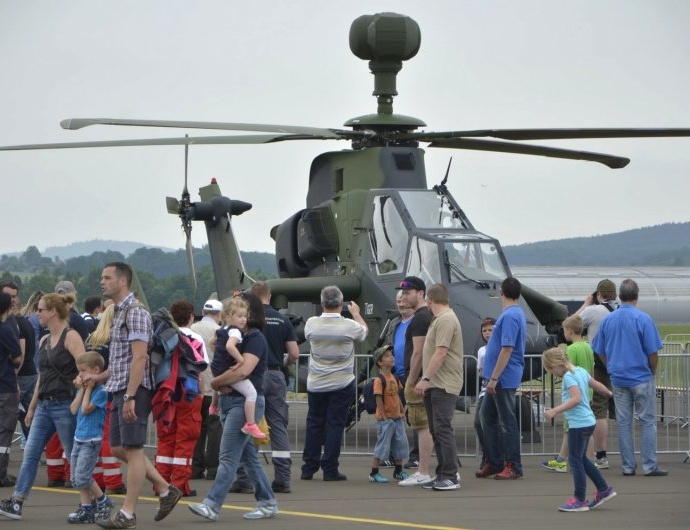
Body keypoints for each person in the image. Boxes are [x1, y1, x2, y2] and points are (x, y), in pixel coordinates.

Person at [96, 262, 181, 529]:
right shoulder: (118, 312)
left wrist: (131, 395)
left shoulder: (135, 312)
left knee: (132, 451)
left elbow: (140, 356)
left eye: (107, 278)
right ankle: (166, 490)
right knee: (119, 448)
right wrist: (98, 377)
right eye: (102, 278)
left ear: (123, 282)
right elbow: (121, 359)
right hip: (119, 387)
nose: (102, 282)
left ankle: (128, 513)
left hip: (134, 389)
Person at [189, 292, 279, 521]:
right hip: (230, 402)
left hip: (242, 402)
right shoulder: (234, 336)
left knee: (227, 456)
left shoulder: (255, 338)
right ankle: (267, 502)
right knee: (247, 458)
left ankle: (212, 504)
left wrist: (217, 382)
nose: (241, 316)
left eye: (243, 312)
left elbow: (244, 370)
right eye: (237, 312)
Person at [0, 292, 85, 521]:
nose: (37, 313)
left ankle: (90, 502)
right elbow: (42, 376)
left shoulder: (71, 337)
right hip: (45, 406)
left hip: (65, 404)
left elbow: (85, 369)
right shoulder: (44, 340)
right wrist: (32, 406)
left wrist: (79, 399)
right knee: (30, 454)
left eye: (41, 310)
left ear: (53, 312)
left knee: (74, 455)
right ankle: (17, 502)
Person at [592, 279, 667, 477]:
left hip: (618, 377)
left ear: (620, 296)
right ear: (637, 296)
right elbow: (653, 351)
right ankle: (649, 465)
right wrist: (652, 370)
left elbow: (599, 349)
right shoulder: (643, 319)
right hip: (641, 376)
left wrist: (611, 366)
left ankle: (627, 466)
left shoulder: (608, 320)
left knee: (624, 422)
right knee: (647, 421)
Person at [301, 285, 368, 482]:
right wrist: (356, 313)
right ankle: (330, 468)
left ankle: (308, 467)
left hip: (316, 382)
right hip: (341, 381)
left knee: (314, 423)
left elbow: (306, 336)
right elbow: (364, 332)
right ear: (341, 304)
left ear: (322, 303)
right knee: (335, 424)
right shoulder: (349, 326)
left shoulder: (312, 324)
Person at [542, 348, 617, 512]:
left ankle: (579, 499)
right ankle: (603, 489)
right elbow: (597, 385)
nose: (552, 373)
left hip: (579, 424)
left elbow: (576, 399)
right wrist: (608, 393)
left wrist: (555, 410)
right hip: (588, 421)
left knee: (575, 461)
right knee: (582, 459)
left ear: (554, 365)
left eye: (550, 370)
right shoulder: (581, 371)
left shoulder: (568, 378)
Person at [250, 281, 300, 493]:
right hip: (276, 374)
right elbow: (295, 354)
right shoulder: (282, 320)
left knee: (249, 423)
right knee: (278, 424)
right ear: (269, 296)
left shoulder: (249, 319)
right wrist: (282, 364)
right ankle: (282, 478)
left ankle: (244, 477)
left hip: (254, 374)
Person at [154, 300, 208, 497]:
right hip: (188, 393)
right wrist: (201, 394)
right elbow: (200, 369)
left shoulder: (163, 336)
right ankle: (179, 485)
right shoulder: (194, 338)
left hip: (164, 394)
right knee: (185, 439)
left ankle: (160, 484)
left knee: (165, 439)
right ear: (191, 317)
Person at [414, 283, 463, 491]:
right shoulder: (439, 319)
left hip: (443, 383)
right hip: (436, 383)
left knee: (442, 428)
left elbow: (441, 352)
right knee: (436, 429)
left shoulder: (446, 319)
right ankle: (443, 473)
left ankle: (450, 475)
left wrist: (424, 378)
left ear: (429, 301)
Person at [476, 277, 526, 480]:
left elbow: (507, 349)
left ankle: (513, 465)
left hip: (503, 377)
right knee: (485, 417)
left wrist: (494, 378)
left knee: (507, 421)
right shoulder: (512, 314)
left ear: (502, 293)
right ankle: (494, 461)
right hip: (498, 377)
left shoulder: (510, 316)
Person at [542, 315, 595, 473]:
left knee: (570, 428)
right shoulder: (588, 347)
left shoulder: (571, 349)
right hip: (587, 389)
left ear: (569, 330)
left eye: (564, 329)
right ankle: (581, 458)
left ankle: (566, 460)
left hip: (575, 393)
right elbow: (591, 370)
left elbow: (568, 367)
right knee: (584, 428)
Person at [575, 279, 618, 469]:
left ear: (599, 294)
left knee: (599, 410)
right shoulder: (622, 310)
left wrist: (586, 303)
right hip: (621, 365)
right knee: (622, 410)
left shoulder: (594, 311)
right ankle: (629, 457)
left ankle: (601, 456)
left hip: (600, 365)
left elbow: (571, 324)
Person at [67, 351, 113, 524]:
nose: (80, 375)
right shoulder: (85, 390)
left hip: (91, 440)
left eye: (83, 371)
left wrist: (90, 388)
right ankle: (86, 508)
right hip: (79, 438)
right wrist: (81, 390)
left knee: (83, 476)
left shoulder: (101, 391)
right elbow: (73, 409)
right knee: (75, 478)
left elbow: (86, 409)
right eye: (79, 372)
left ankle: (102, 500)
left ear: (96, 370)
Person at [397, 276, 435, 487]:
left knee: (422, 426)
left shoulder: (420, 318)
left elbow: (418, 352)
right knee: (427, 425)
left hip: (418, 379)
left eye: (409, 291)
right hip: (422, 378)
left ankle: (423, 471)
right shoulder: (423, 316)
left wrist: (411, 381)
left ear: (421, 293)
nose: (404, 295)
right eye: (403, 292)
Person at [84, 305, 126, 495]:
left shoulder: (91, 339)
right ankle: (113, 481)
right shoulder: (113, 340)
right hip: (108, 394)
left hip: (90, 392)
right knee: (109, 439)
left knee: (94, 439)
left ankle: (98, 478)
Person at [210, 298, 266, 439]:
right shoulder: (235, 332)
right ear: (229, 316)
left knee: (219, 384)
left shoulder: (221, 330)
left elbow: (212, 343)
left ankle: (213, 406)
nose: (243, 320)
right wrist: (240, 360)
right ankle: (250, 423)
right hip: (226, 367)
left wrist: (219, 354)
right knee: (251, 393)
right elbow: (230, 346)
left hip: (217, 366)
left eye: (245, 316)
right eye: (240, 316)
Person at [191, 299, 223, 481]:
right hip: (213, 385)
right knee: (214, 427)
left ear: (203, 312)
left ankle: (195, 467)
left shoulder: (193, 329)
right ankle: (213, 468)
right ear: (219, 314)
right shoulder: (219, 332)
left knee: (197, 428)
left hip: (195, 386)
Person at [368, 345, 408, 484]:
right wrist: (384, 417)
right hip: (385, 419)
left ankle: (398, 470)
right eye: (387, 356)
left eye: (392, 355)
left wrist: (402, 411)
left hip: (396, 417)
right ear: (380, 362)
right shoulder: (379, 380)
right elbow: (378, 398)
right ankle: (374, 472)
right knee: (382, 445)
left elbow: (397, 396)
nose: (391, 357)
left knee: (400, 444)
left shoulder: (395, 378)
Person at [0, 292, 23, 488]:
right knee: (5, 431)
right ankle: (1, 473)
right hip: (5, 386)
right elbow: (17, 358)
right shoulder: (6, 329)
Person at [474, 317, 495, 471]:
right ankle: (486, 454)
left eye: (490, 330)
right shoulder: (482, 350)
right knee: (478, 422)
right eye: (484, 331)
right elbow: (480, 372)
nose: (487, 333)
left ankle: (495, 456)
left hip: (496, 389)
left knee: (493, 424)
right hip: (484, 390)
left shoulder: (500, 348)